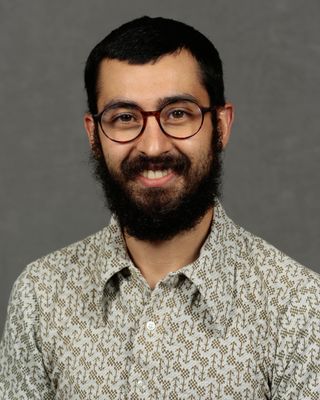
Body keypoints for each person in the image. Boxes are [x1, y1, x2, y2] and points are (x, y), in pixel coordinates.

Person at [0, 16, 319, 400]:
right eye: (124, 118)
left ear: (221, 125)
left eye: (178, 114)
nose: (153, 147)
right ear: (94, 135)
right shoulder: (41, 295)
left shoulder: (299, 306)